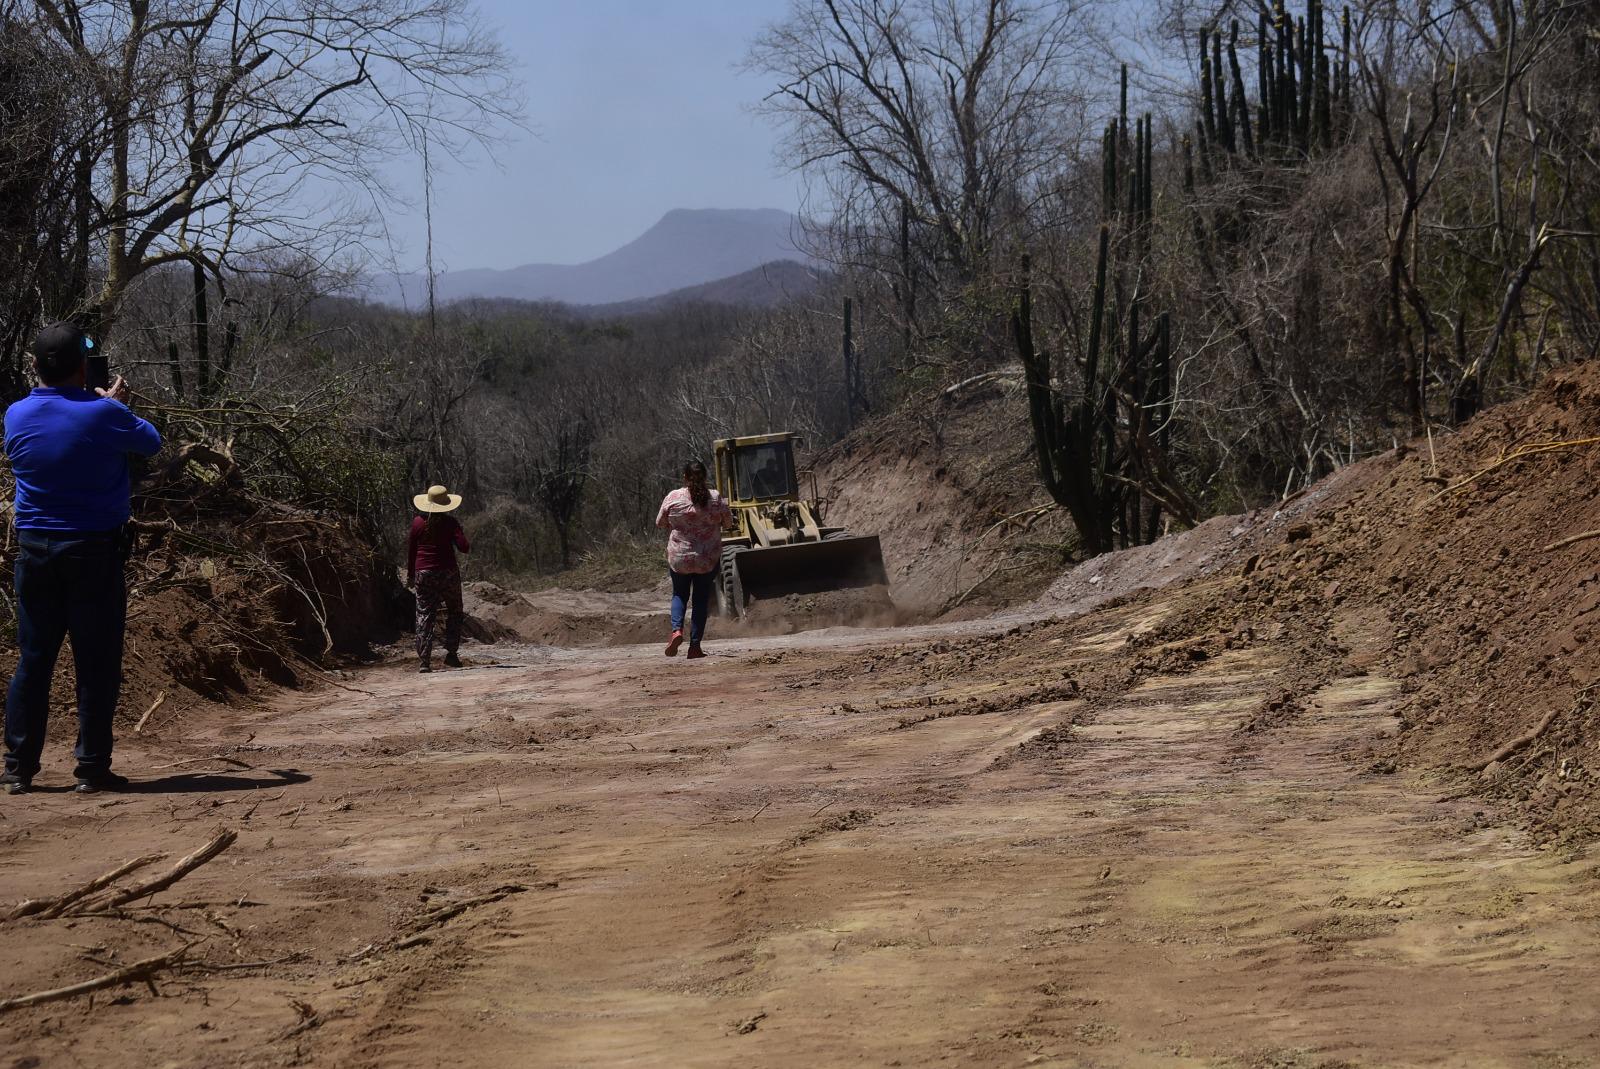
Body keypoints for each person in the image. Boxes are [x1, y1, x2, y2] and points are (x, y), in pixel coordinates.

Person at [3, 322, 162, 795]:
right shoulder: (102, 414)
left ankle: (17, 768)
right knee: (95, 661)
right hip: (93, 551)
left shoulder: (16, 414)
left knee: (33, 660)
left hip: (34, 551)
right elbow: (150, 442)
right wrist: (114, 405)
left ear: (34, 365)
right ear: (81, 367)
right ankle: (91, 769)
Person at [655, 460, 732, 659]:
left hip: (680, 558)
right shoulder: (715, 498)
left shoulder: (673, 496)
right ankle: (695, 646)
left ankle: (676, 631)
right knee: (700, 600)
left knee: (679, 594)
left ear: (685, 478)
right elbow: (729, 522)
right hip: (706, 559)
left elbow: (660, 522)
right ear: (705, 477)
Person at [407, 484, 470, 673]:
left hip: (424, 573)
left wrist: (411, 575)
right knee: (455, 610)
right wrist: (457, 533)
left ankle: (424, 661)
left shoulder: (418, 523)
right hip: (448, 573)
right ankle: (451, 654)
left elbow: (411, 551)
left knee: (424, 615)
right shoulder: (451, 523)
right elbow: (464, 547)